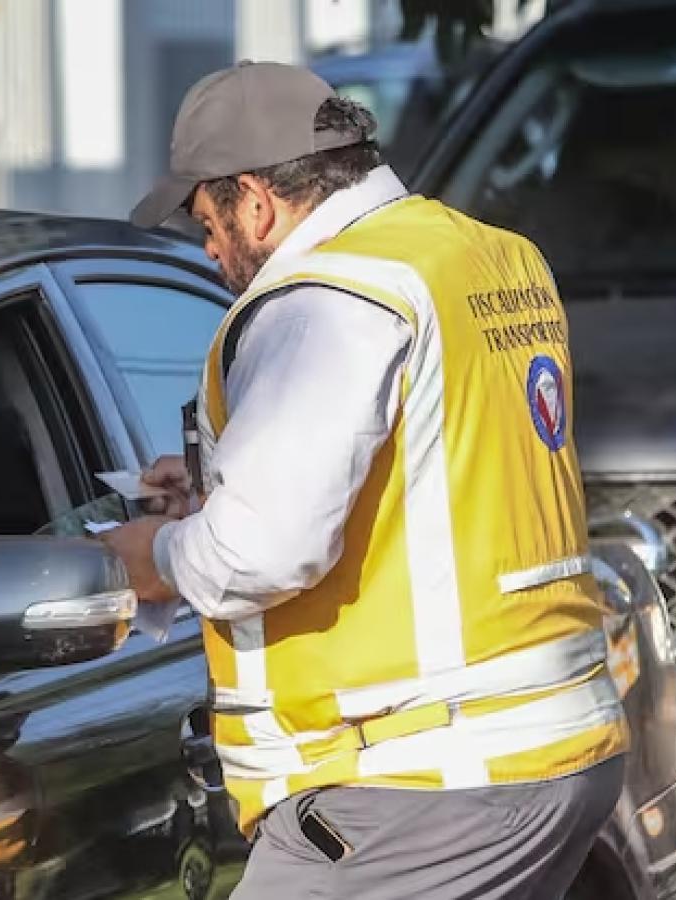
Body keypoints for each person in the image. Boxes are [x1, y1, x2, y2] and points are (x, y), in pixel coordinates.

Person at [101, 62, 627, 899]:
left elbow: (263, 554)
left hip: (419, 777)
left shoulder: (326, 297)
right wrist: (219, 497)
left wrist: (151, 556)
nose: (206, 248)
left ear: (257, 200)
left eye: (207, 220)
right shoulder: (490, 257)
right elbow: (433, 476)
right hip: (549, 745)